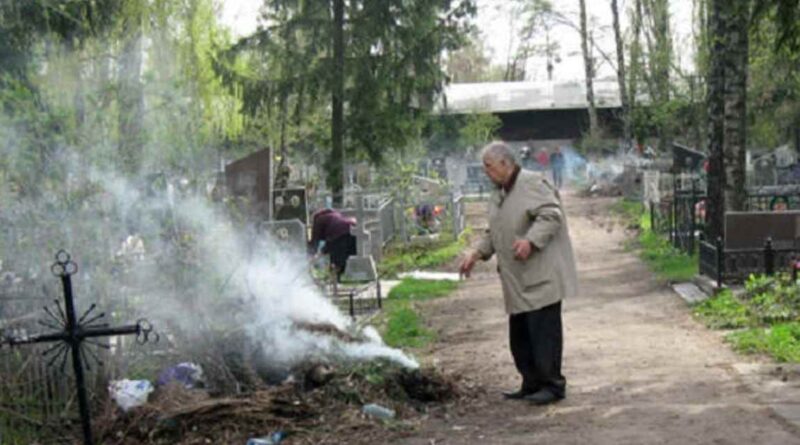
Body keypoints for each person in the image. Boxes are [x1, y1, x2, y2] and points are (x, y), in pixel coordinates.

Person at [459, 141, 577, 406]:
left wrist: (531, 241)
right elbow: (496, 231)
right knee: (521, 337)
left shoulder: (532, 183)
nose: (486, 173)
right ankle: (531, 382)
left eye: (489, 167)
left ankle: (552, 385)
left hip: (540, 274)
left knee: (543, 333)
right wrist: (475, 254)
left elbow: (551, 215)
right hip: (517, 279)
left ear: (505, 163)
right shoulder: (500, 192)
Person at [309, 208, 357, 282]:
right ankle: (341, 278)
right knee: (345, 257)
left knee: (336, 259)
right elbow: (328, 245)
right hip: (352, 230)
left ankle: (334, 279)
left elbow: (315, 240)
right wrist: (322, 251)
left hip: (338, 234)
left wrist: (311, 256)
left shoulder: (318, 220)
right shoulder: (334, 215)